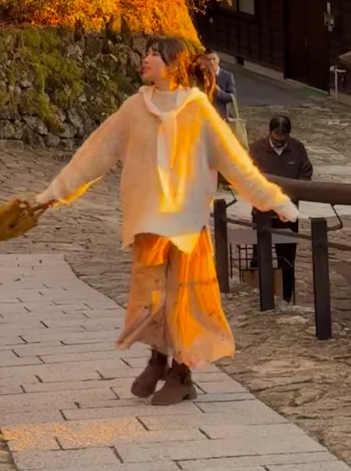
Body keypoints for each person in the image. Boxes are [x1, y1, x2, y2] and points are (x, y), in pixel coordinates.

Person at [30, 38, 298, 406]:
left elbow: (238, 165)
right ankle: (157, 358)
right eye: (148, 53)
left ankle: (181, 372)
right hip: (147, 222)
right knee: (150, 297)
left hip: (187, 225)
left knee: (185, 298)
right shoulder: (134, 108)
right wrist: (54, 194)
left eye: (155, 54)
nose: (146, 58)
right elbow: (95, 153)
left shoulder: (199, 110)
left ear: (174, 63)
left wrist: (275, 201)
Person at [249, 115, 313, 304]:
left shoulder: (297, 148)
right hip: (263, 210)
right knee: (259, 252)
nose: (279, 143)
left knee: (287, 256)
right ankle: (257, 292)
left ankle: (286, 296)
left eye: (282, 140)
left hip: (287, 210)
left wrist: (294, 193)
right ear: (270, 133)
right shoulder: (257, 149)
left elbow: (306, 173)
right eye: (276, 139)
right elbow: (248, 174)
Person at [201, 50, 236, 122]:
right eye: (208, 59)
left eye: (214, 59)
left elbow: (232, 97)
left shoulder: (228, 76)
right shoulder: (201, 75)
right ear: (204, 61)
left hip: (221, 117)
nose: (211, 62)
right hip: (204, 116)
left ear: (218, 60)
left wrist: (219, 92)